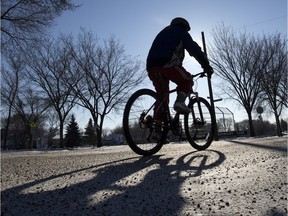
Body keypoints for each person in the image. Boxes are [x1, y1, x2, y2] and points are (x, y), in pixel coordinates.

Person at [146, 17, 213, 140]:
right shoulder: (180, 31)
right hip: (167, 63)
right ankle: (180, 102)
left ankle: (157, 131)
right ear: (185, 26)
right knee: (187, 80)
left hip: (151, 66)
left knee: (162, 97)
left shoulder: (164, 32)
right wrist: (206, 65)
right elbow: (194, 49)